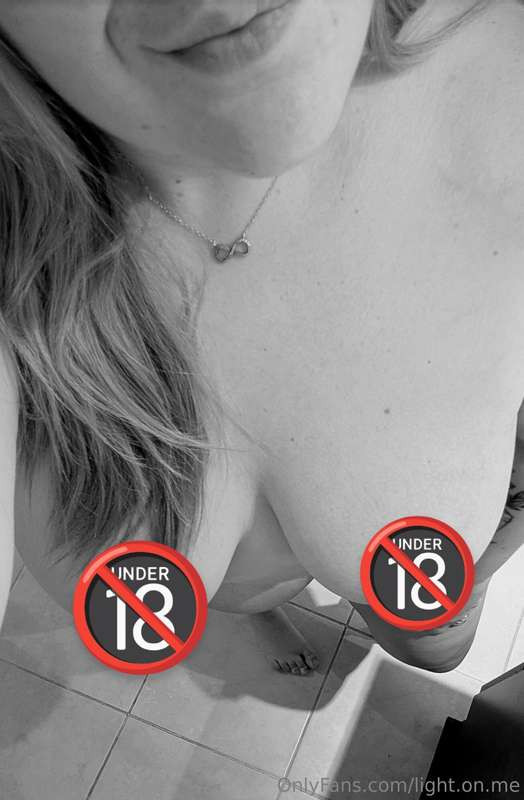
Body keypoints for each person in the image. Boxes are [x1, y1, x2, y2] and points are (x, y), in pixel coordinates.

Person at [1, 0, 523, 677]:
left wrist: (485, 545)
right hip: (248, 592)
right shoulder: (20, 245)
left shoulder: (503, 81)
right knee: (249, 596)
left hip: (425, 564)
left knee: (435, 648)